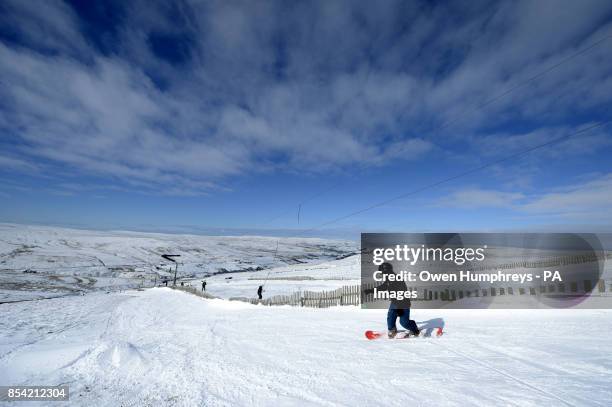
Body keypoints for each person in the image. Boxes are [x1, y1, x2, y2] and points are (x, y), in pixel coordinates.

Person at [365, 262, 420, 338]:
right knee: (391, 316)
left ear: (386, 271)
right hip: (395, 302)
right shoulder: (389, 279)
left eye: (382, 272)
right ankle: (392, 330)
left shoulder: (397, 279)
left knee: (404, 322)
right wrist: (371, 290)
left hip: (403, 303)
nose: (382, 274)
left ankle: (414, 330)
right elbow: (383, 287)